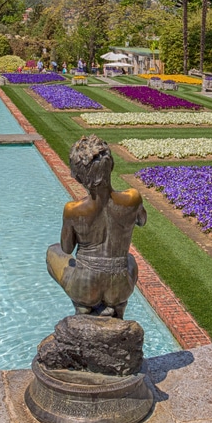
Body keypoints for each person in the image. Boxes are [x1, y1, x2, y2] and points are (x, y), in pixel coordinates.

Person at [46, 136, 146, 318]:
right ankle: (117, 306)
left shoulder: (73, 210)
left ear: (77, 176)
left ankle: (83, 306)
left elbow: (67, 249)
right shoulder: (133, 197)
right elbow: (142, 221)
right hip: (120, 287)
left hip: (85, 286)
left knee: (52, 252)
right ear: (111, 166)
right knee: (129, 259)